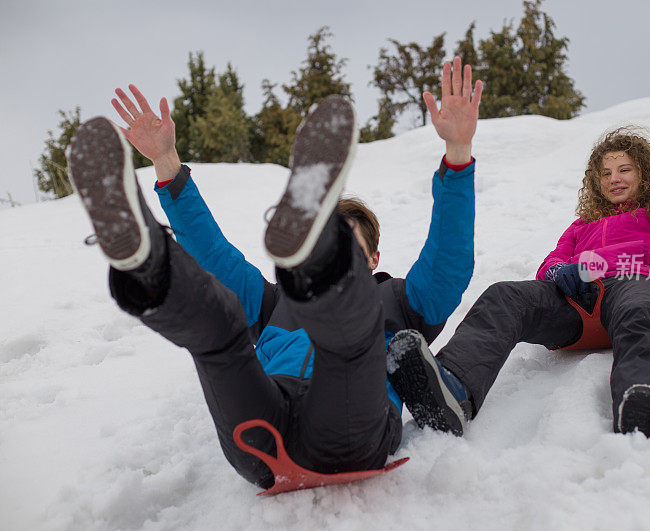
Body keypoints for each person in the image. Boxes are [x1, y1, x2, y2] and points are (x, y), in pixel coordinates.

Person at [67, 57, 483, 489]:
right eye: (322, 241)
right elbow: (215, 257)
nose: (331, 253)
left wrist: (457, 157)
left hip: (352, 429)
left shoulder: (402, 302)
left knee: (351, 335)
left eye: (342, 245)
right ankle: (147, 262)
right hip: (265, 436)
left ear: (374, 258)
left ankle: (323, 267)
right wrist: (168, 164)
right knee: (218, 330)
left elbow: (447, 262)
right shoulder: (271, 305)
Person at [387, 70, 650, 443]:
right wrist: (561, 272)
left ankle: (644, 397)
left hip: (632, 292)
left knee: (638, 303)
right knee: (504, 297)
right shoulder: (582, 226)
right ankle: (454, 389)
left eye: (624, 169)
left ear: (645, 174)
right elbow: (552, 261)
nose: (614, 178)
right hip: (575, 307)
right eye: (606, 173)